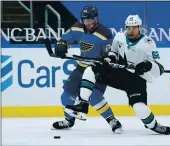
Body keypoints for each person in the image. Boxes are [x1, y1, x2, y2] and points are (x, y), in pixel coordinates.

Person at [65, 15, 170, 135]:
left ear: (139, 27)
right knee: (91, 69)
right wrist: (110, 57)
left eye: (134, 28)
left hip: (136, 79)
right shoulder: (120, 37)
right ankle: (83, 105)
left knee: (140, 108)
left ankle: (153, 125)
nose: (131, 31)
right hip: (119, 73)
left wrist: (148, 65)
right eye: (129, 27)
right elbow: (113, 52)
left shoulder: (148, 43)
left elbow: (159, 68)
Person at [52, 5, 123, 134]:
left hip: (98, 70)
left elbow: (110, 55)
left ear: (96, 19)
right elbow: (65, 38)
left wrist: (105, 60)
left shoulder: (105, 34)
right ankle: (69, 120)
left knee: (95, 96)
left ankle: (112, 120)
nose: (88, 23)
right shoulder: (77, 27)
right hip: (81, 68)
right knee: (66, 94)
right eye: (85, 20)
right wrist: (61, 45)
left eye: (90, 20)